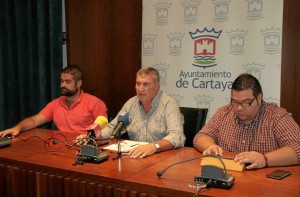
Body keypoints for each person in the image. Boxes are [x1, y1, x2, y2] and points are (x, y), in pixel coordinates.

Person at [193, 73, 300, 169]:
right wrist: (209, 146)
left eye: (245, 102)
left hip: (264, 182)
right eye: (234, 102)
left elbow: (297, 148)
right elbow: (201, 137)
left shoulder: (276, 116)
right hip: (229, 176)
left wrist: (265, 159)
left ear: (259, 98)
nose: (239, 108)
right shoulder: (224, 112)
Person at [98, 67, 185, 159]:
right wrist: (95, 136)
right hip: (136, 157)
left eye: (146, 84)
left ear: (157, 85)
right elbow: (113, 127)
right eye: (138, 84)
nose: (140, 89)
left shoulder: (168, 104)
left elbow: (177, 136)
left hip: (162, 158)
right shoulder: (131, 103)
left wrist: (154, 146)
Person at [0, 65, 108, 139]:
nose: (62, 85)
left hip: (86, 148)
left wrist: (88, 137)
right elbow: (34, 120)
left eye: (67, 82)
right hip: (60, 148)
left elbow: (105, 128)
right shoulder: (55, 104)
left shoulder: (95, 103)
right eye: (61, 81)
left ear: (79, 83)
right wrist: (17, 128)